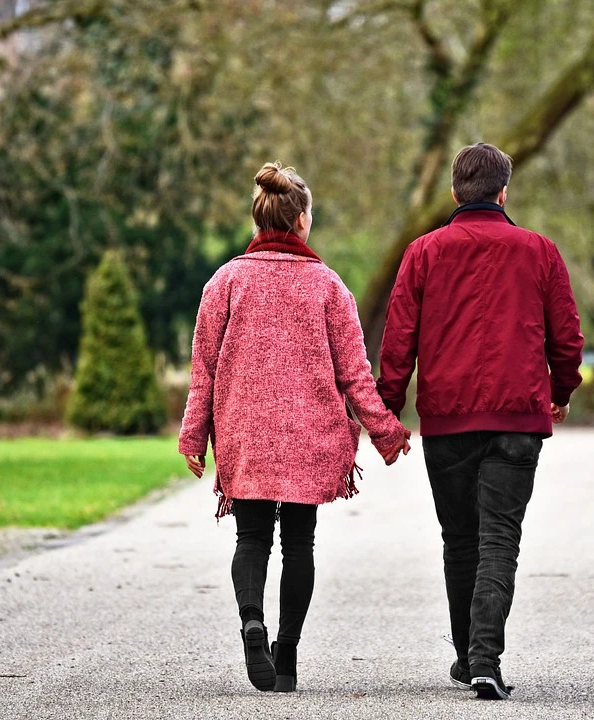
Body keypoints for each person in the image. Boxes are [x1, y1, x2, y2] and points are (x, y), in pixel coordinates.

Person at [179, 162, 411, 693]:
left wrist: (194, 438)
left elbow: (204, 373)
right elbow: (355, 375)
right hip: (311, 436)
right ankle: (286, 656)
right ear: (302, 220)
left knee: (252, 535)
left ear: (258, 218)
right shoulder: (328, 286)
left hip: (246, 432)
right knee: (299, 544)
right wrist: (386, 432)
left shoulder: (225, 282)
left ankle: (251, 623)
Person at [377, 142, 585, 700]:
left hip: (447, 419)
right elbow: (566, 336)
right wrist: (561, 391)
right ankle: (484, 657)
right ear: (503, 191)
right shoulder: (538, 251)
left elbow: (398, 340)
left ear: (454, 192)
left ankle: (470, 656)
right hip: (518, 417)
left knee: (460, 539)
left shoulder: (423, 253)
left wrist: (387, 411)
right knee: (500, 538)